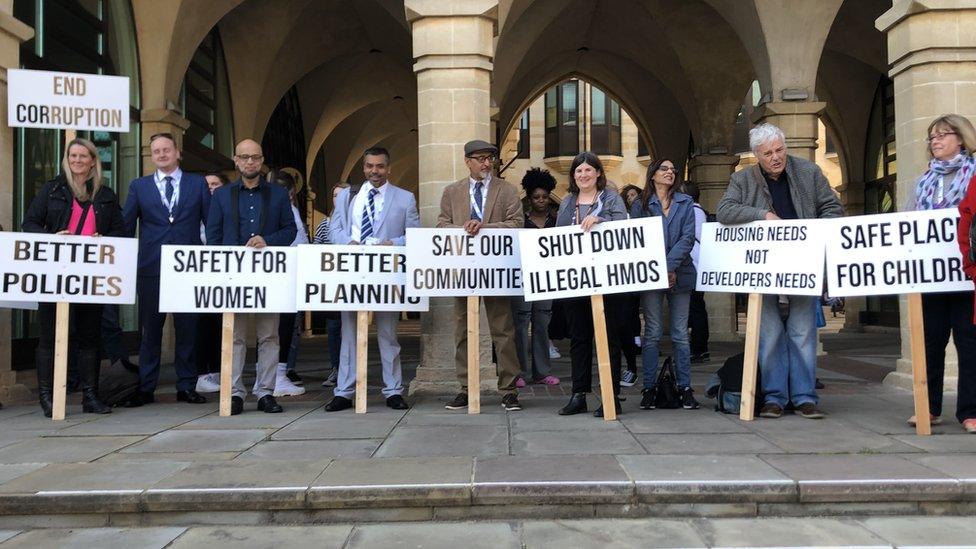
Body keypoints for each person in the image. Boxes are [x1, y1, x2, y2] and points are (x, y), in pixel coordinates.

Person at [717, 123, 843, 419]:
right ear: (757, 156)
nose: (776, 157)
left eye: (780, 149)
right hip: (764, 269)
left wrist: (815, 231)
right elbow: (725, 211)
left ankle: (804, 397)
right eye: (768, 153)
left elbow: (832, 208)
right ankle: (774, 397)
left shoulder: (809, 172)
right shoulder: (742, 180)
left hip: (803, 264)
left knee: (802, 332)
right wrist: (762, 215)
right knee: (769, 333)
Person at [22, 137, 124, 417]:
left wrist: (105, 238)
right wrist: (50, 237)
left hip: (90, 275)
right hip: (56, 273)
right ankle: (48, 397)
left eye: (83, 156)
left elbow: (121, 232)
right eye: (73, 156)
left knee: (90, 336)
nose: (77, 161)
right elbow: (28, 222)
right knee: (49, 335)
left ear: (93, 160)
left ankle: (90, 396)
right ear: (66, 160)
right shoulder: (52, 189)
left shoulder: (105, 194)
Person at [324, 147, 420, 412]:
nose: (374, 171)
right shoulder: (347, 195)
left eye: (379, 166)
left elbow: (414, 235)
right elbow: (335, 229)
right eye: (369, 166)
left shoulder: (405, 198)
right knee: (349, 333)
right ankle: (344, 391)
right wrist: (349, 242)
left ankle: (393, 391)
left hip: (386, 273)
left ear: (388, 168)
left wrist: (394, 243)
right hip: (352, 271)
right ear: (363, 167)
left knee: (388, 334)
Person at [206, 139, 296, 415]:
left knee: (269, 335)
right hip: (234, 276)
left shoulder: (278, 195)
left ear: (262, 160)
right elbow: (213, 236)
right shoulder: (222, 196)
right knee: (234, 335)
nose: (250, 162)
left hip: (269, 276)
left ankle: (266, 392)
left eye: (255, 157)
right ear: (235, 160)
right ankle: (234, 393)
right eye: (244, 157)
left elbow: (290, 231)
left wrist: (267, 240)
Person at [122, 132, 211, 407]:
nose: (161, 154)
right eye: (156, 151)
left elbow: (211, 223)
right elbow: (126, 226)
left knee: (187, 331)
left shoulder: (197, 184)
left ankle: (186, 386)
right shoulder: (139, 186)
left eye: (166, 150)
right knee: (151, 332)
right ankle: (146, 388)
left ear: (177, 152)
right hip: (152, 268)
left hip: (188, 268)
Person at [439, 140, 524, 412]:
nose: (487, 163)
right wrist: (461, 228)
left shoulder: (507, 190)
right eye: (480, 158)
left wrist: (484, 227)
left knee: (503, 330)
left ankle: (509, 389)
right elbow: (442, 225)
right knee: (462, 330)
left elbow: (516, 224)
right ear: (468, 161)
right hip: (463, 270)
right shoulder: (452, 192)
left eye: (490, 158)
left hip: (496, 269)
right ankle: (466, 387)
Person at [555, 151, 629, 417]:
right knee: (579, 337)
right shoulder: (567, 201)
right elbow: (558, 234)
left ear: (598, 172)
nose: (583, 175)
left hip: (607, 279)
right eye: (578, 171)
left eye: (588, 170)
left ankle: (611, 395)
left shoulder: (611, 198)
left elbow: (624, 226)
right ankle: (578, 394)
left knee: (608, 338)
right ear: (573, 176)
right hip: (576, 279)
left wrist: (601, 221)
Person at [631, 158, 699, 410]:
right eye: (665, 168)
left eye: (673, 169)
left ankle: (685, 387)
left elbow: (688, 237)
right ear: (653, 174)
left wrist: (669, 266)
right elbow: (638, 239)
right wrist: (660, 269)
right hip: (650, 275)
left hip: (680, 274)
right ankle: (649, 387)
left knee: (681, 334)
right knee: (652, 333)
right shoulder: (640, 204)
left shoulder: (685, 202)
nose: (670, 172)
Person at [928, 114, 976, 433]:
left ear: (961, 138)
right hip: (931, 274)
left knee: (969, 342)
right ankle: (929, 407)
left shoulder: (973, 175)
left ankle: (970, 411)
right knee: (930, 340)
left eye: (943, 135)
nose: (936, 141)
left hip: (966, 274)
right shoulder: (924, 181)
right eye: (932, 137)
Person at [512, 168, 559, 387]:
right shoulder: (520, 221)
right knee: (520, 324)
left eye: (544, 197)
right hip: (522, 279)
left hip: (546, 279)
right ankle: (519, 372)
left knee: (542, 324)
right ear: (529, 199)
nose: (541, 201)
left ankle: (541, 372)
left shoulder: (557, 222)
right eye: (536, 197)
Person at [271, 170, 308, 398]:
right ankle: (275, 377)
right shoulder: (279, 210)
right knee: (277, 329)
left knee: (284, 329)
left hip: (291, 275)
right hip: (280, 275)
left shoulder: (289, 209)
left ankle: (278, 374)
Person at [194, 171, 230, 394]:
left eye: (215, 184)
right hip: (198, 274)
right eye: (207, 185)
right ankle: (201, 373)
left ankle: (217, 371)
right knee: (201, 325)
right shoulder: (194, 212)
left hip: (222, 275)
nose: (211, 189)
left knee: (220, 324)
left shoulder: (226, 210)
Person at [313, 183, 348, 388]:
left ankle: (350, 368)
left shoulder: (355, 221)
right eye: (334, 195)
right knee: (334, 327)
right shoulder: (325, 224)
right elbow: (317, 250)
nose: (338, 198)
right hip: (332, 283)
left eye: (341, 194)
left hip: (350, 282)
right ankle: (336, 368)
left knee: (351, 328)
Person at [684, 182, 711, 363]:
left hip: (693, 265)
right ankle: (699, 346)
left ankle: (699, 347)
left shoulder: (692, 211)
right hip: (696, 264)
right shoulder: (699, 211)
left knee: (695, 307)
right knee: (696, 307)